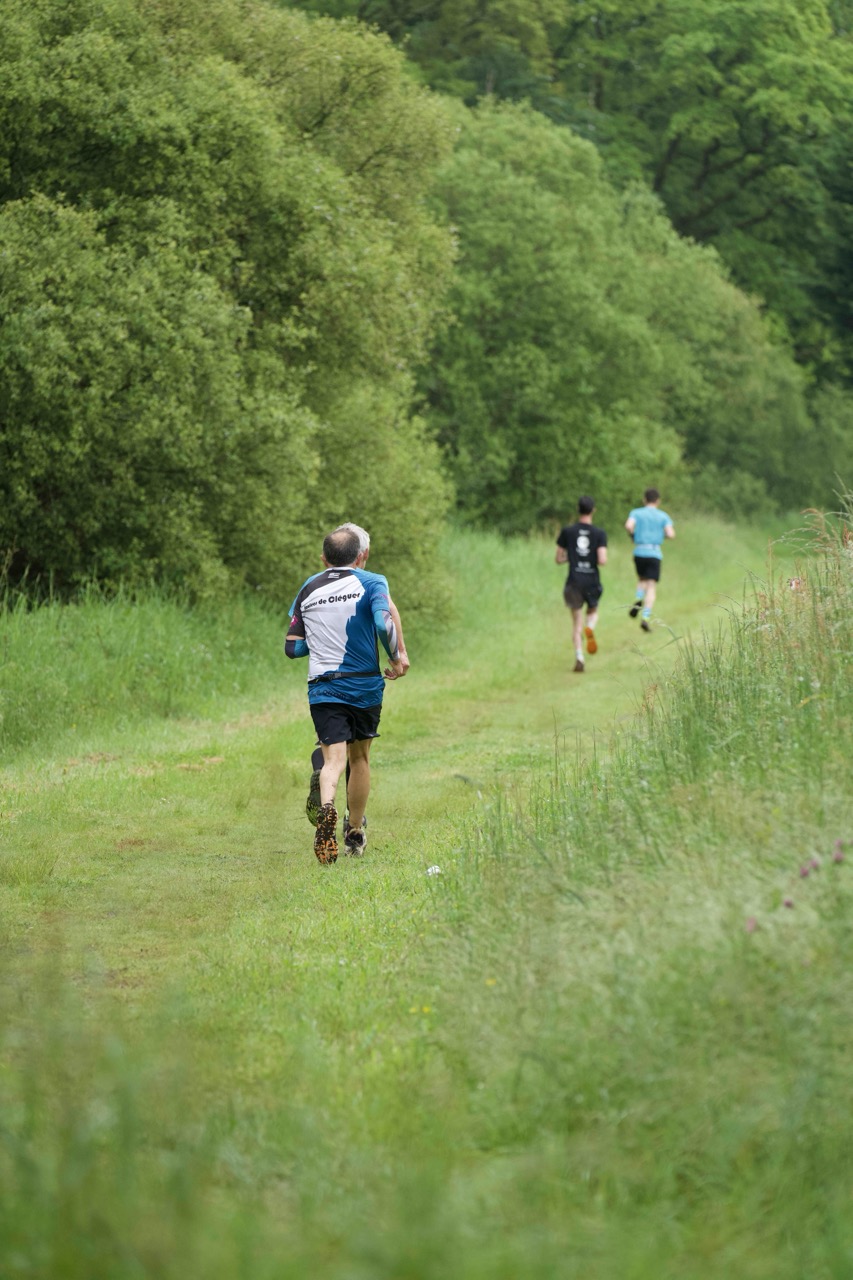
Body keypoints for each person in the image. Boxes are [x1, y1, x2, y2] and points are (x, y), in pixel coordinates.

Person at [285, 524, 408, 864]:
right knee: (359, 758)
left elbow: (292, 648)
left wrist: (322, 639)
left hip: (324, 686)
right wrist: (396, 657)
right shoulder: (373, 581)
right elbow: (383, 623)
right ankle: (354, 830)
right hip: (364, 685)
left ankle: (327, 808)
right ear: (360, 556)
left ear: (323, 558)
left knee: (333, 761)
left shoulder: (308, 587)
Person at [555, 496, 608, 673]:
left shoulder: (567, 531)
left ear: (578, 510)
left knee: (576, 622)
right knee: (592, 613)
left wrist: (572, 557)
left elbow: (558, 558)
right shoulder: (599, 533)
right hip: (592, 581)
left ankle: (579, 657)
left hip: (574, 582)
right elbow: (602, 560)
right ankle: (590, 627)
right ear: (593, 510)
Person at [625, 488, 675, 631]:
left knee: (642, 579)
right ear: (658, 501)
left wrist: (633, 535)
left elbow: (628, 525)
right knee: (651, 585)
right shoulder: (663, 516)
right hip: (654, 552)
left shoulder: (636, 512)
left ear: (644, 499)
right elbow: (671, 534)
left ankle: (638, 598)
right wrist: (661, 535)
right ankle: (646, 617)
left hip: (639, 551)